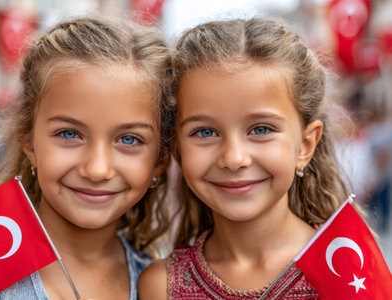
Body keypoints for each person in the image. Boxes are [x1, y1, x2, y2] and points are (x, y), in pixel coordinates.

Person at [138, 18, 353, 299]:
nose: (234, 158)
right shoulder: (161, 286)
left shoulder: (345, 270)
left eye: (261, 129)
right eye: (205, 132)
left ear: (305, 145)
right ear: (177, 149)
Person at [0, 16, 174, 300]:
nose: (96, 169)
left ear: (160, 159)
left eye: (128, 139)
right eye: (69, 134)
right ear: (28, 140)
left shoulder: (161, 287)